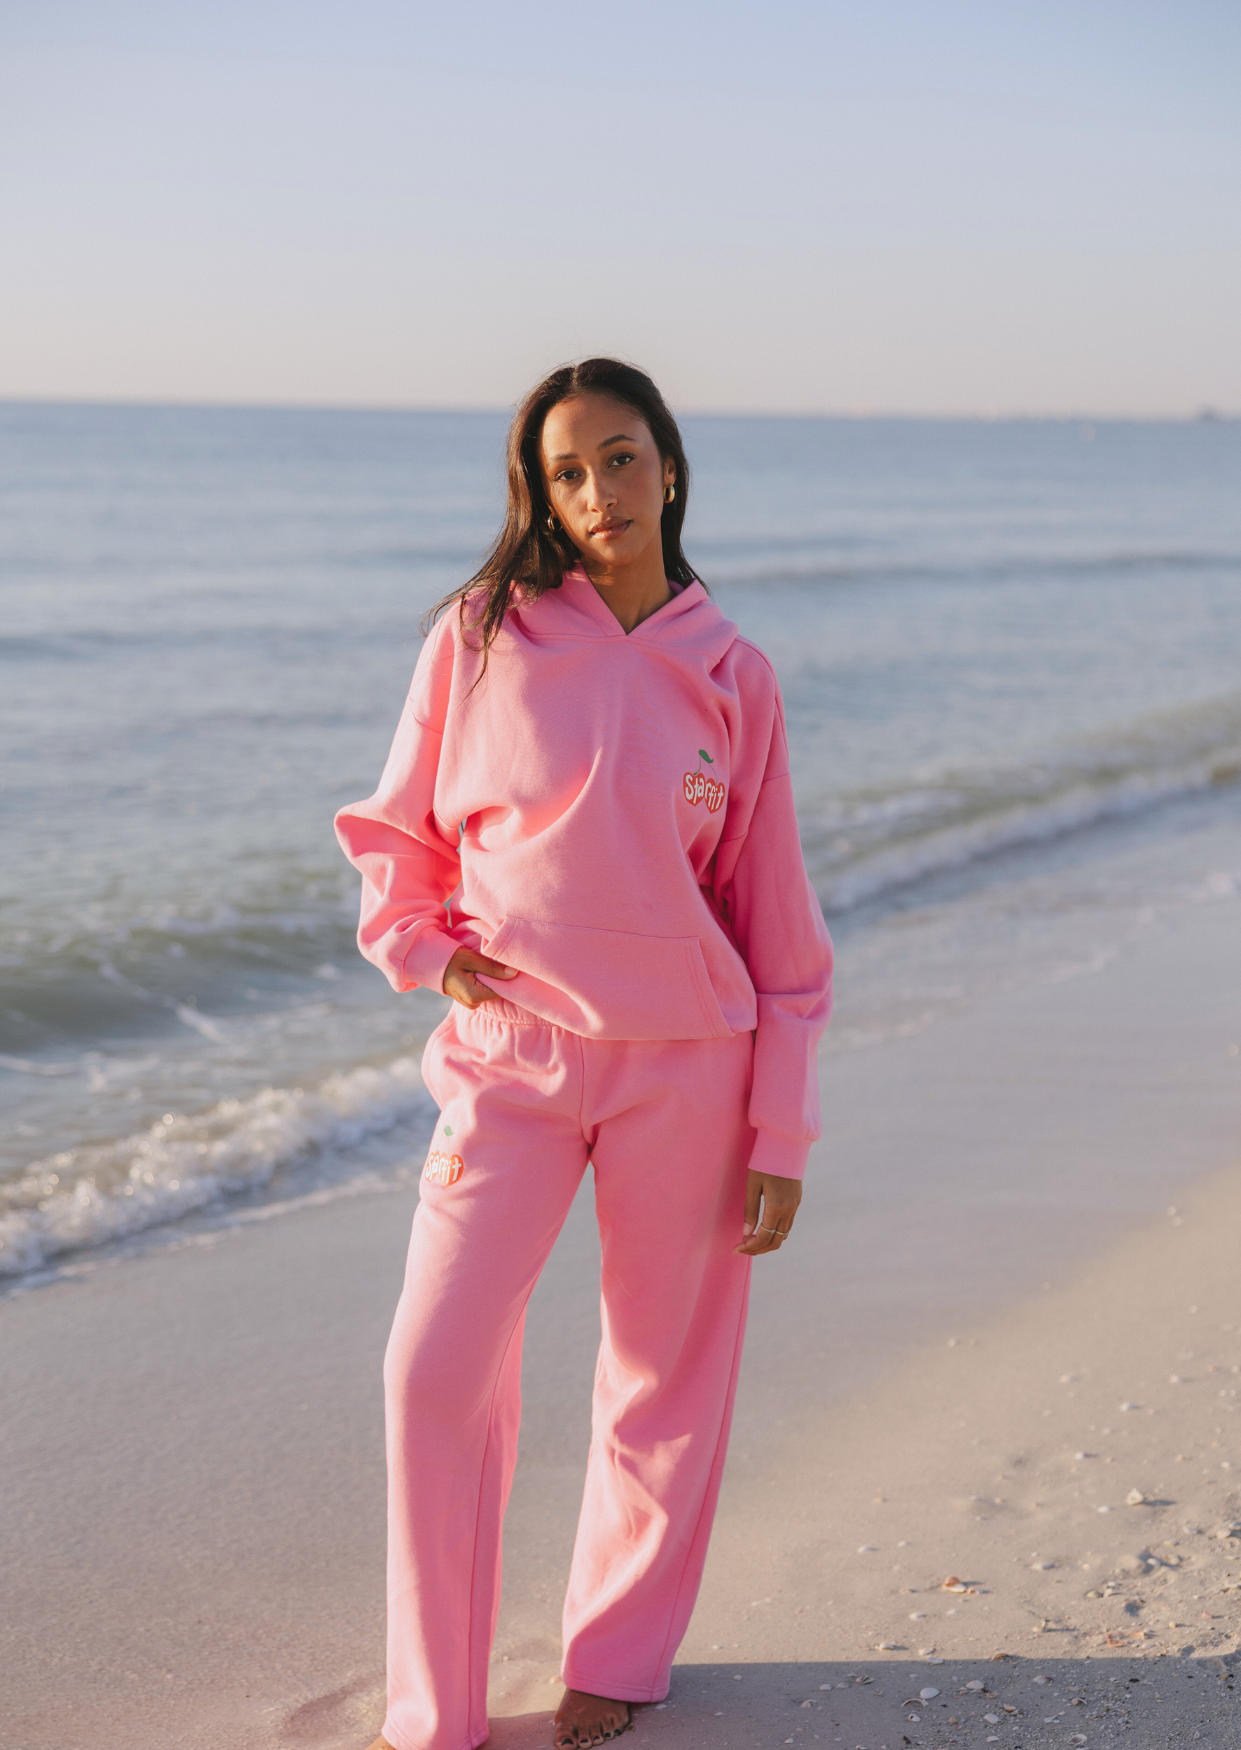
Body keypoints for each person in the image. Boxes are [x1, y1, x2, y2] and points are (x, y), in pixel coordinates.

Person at [334, 358, 834, 1750]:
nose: (598, 490)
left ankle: (615, 1651)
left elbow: (776, 922)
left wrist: (782, 1129)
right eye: (567, 471)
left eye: (620, 457)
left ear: (669, 467)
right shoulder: (479, 636)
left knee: (663, 1376)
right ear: (538, 495)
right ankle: (434, 1705)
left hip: (690, 1066)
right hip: (508, 1059)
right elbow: (395, 831)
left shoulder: (733, 673)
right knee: (432, 1366)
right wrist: (429, 950)